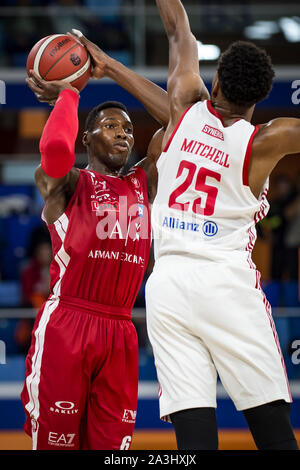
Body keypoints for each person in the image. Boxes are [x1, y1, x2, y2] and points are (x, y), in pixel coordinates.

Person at [144, 0, 300, 450]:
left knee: (194, 431)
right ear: (260, 97)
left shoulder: (183, 109)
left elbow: (179, 29)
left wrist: (110, 65)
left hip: (168, 281)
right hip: (225, 280)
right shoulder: (266, 139)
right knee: (270, 423)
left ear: (213, 81)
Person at [21, 47, 169, 449]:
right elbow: (54, 151)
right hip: (69, 324)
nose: (123, 133)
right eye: (110, 126)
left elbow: (179, 117)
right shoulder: (66, 183)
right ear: (86, 138)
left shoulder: (144, 182)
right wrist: (70, 93)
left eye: (126, 128)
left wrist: (112, 70)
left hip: (121, 329)